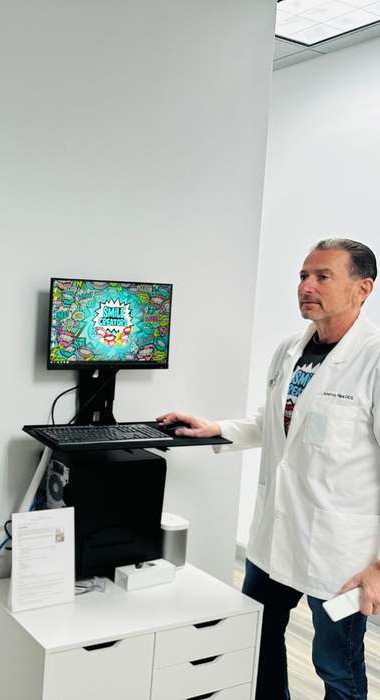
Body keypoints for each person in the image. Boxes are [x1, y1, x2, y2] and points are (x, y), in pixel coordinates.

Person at [159, 238, 378, 700]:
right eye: (303, 275)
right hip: (276, 538)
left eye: (322, 277)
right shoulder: (289, 350)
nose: (306, 286)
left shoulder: (374, 360)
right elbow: (275, 422)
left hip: (341, 557)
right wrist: (215, 428)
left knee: (336, 666)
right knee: (258, 638)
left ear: (363, 289)